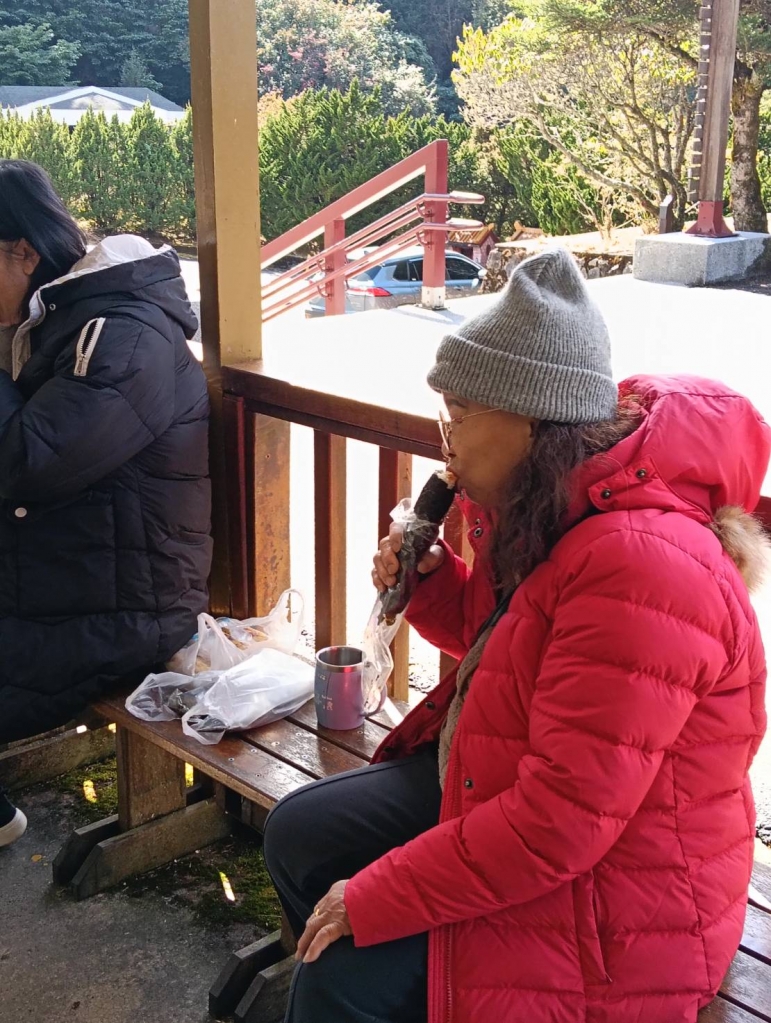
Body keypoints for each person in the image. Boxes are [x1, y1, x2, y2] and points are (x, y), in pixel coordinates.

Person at [263, 247, 770, 1023]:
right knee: (300, 834)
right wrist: (433, 584)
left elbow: (559, 821)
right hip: (517, 786)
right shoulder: (552, 508)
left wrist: (373, 898)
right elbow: (506, 656)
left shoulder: (641, 565)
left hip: (629, 889)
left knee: (341, 983)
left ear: (531, 416)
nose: (445, 439)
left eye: (458, 412)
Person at [0, 159, 211, 847]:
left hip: (126, 609)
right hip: (63, 582)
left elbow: (27, 463)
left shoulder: (123, 333)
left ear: (22, 252)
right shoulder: (55, 322)